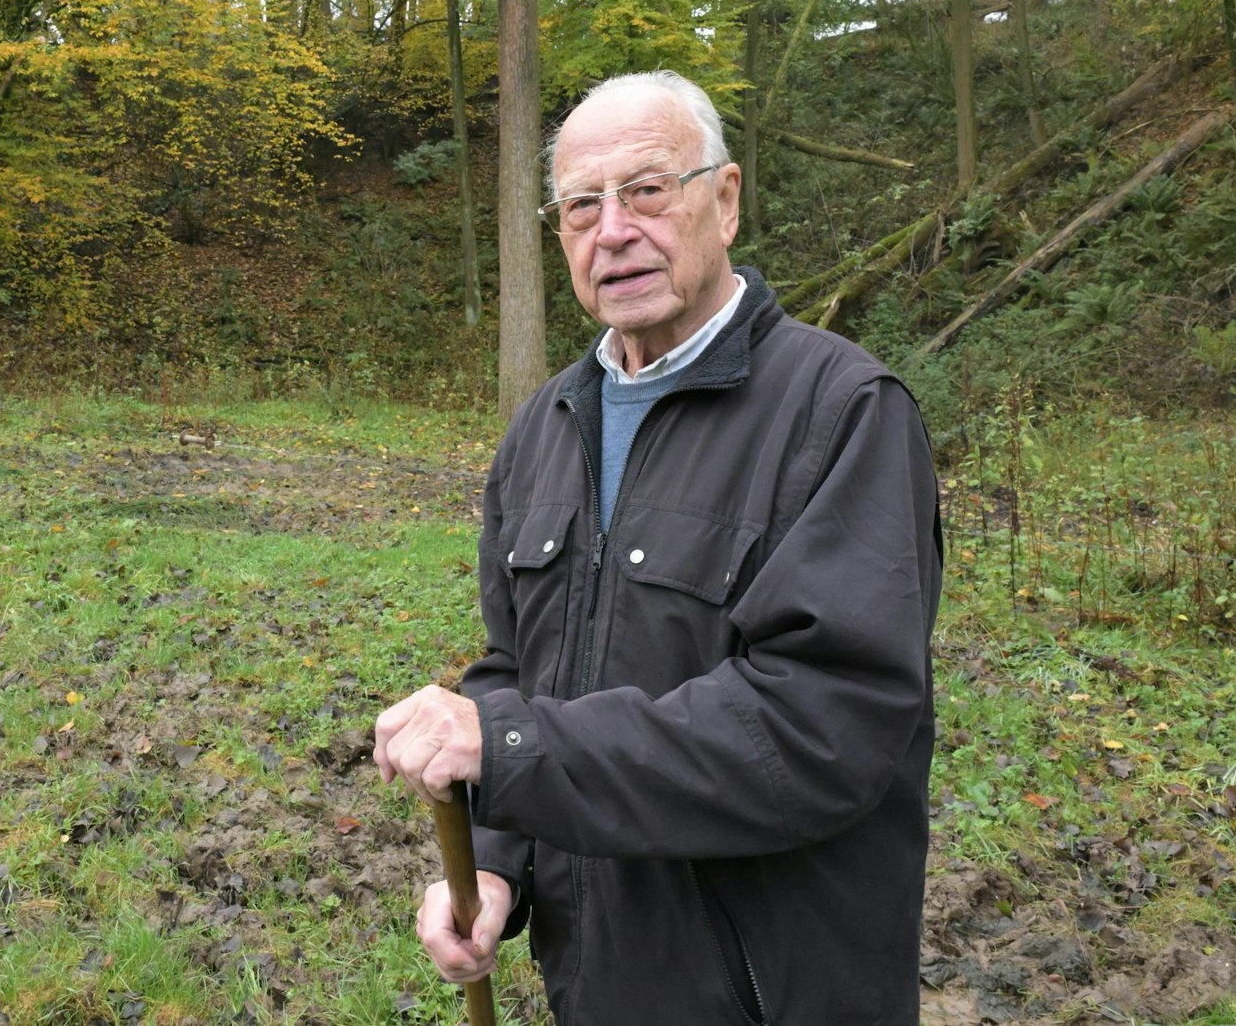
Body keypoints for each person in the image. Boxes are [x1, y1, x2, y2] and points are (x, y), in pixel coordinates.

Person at [373, 70, 943, 1024]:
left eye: (646, 190)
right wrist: (498, 869)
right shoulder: (545, 428)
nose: (613, 230)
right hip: (594, 982)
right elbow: (520, 672)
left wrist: (508, 746)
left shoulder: (840, 412)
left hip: (773, 993)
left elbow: (820, 727)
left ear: (723, 201)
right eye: (582, 206)